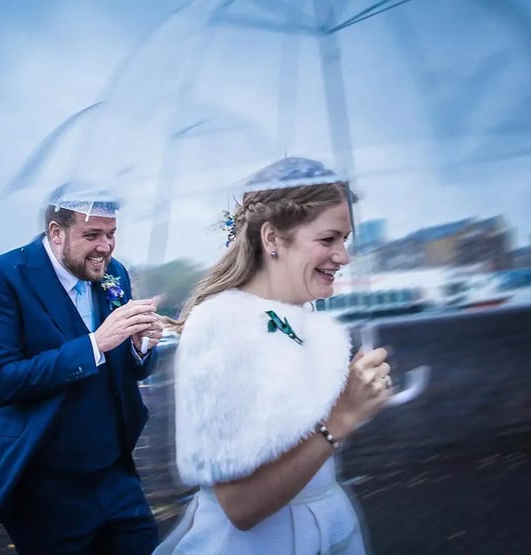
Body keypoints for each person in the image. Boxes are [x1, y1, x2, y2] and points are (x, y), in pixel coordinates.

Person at [155, 157, 393, 554]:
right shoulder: (221, 328)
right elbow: (241, 507)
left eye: (345, 241)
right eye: (328, 239)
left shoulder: (301, 320)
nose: (343, 256)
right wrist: (343, 415)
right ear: (273, 240)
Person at [0, 189, 164, 554]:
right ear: (56, 232)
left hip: (115, 474)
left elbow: (126, 368)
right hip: (43, 484)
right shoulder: (3, 276)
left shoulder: (115, 274)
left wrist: (139, 347)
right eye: (92, 235)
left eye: (111, 234)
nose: (105, 248)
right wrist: (95, 344)